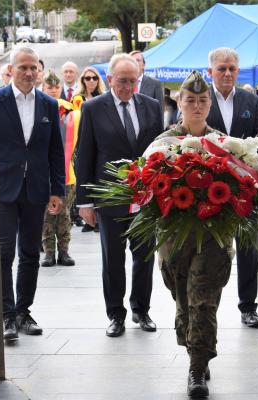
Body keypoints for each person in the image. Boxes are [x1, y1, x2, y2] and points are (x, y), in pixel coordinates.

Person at [75, 53, 163, 337]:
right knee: (113, 259)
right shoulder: (93, 109)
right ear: (110, 79)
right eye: (122, 81)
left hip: (145, 199)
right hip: (110, 198)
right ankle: (116, 314)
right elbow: (84, 156)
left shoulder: (151, 107)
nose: (128, 87)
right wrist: (85, 202)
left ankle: (142, 309)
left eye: (133, 81)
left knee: (144, 257)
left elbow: (159, 152)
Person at [156, 71, 232, 399]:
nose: (197, 106)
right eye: (190, 100)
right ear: (179, 103)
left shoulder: (225, 145)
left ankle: (197, 368)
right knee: (183, 298)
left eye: (202, 101)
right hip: (175, 238)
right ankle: (194, 348)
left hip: (213, 237)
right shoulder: (163, 143)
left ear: (210, 104)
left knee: (203, 299)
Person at [0, 47, 65, 340]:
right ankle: (6, 315)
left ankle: (23, 311)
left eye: (33, 68)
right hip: (3, 188)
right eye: (23, 67)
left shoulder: (48, 104)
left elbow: (55, 151)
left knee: (30, 253)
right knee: (4, 252)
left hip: (36, 189)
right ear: (11, 70)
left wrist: (57, 189)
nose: (29, 73)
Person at [206, 47, 258, 329]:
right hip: (208, 185)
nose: (228, 73)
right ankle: (207, 304)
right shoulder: (201, 98)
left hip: (244, 184)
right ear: (211, 72)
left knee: (247, 246)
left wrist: (242, 157)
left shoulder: (250, 100)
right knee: (211, 246)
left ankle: (248, 307)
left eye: (232, 68)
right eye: (222, 68)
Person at [39, 71, 75, 267]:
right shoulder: (39, 109)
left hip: (67, 172)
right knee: (46, 216)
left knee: (64, 214)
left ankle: (64, 252)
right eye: (49, 87)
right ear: (43, 88)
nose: (53, 90)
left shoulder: (71, 112)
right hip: (43, 173)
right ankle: (48, 253)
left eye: (56, 87)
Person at [73, 66, 107, 233]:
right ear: (83, 80)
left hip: (99, 141)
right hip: (80, 140)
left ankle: (99, 219)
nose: (91, 81)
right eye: (87, 78)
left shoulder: (103, 98)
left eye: (94, 78)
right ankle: (88, 217)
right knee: (84, 175)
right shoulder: (76, 98)